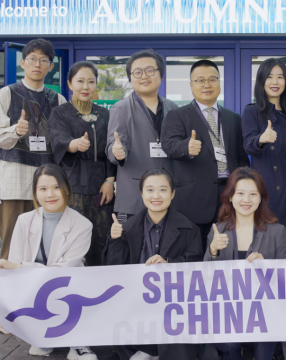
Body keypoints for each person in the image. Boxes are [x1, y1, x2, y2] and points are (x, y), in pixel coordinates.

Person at [0, 163, 99, 360]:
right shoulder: (24, 220)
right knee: (39, 344)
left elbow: (63, 270)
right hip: (36, 289)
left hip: (68, 287)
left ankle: (79, 343)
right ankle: (44, 335)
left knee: (72, 289)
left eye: (56, 187)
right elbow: (14, 267)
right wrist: (9, 313)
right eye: (43, 188)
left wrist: (20, 266)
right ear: (35, 192)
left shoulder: (83, 224)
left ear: (67, 189)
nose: (50, 194)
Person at [101, 167, 203, 360]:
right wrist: (114, 240)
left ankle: (153, 347)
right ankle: (144, 345)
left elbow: (196, 266)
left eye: (163, 190)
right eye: (149, 190)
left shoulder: (189, 229)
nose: (156, 196)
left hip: (171, 298)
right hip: (136, 297)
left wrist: (169, 264)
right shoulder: (126, 228)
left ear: (172, 194)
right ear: (141, 194)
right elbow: (113, 271)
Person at [203, 167, 286, 360]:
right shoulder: (219, 230)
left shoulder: (278, 232)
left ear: (261, 199)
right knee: (230, 348)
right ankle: (236, 348)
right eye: (240, 193)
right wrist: (213, 251)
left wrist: (267, 266)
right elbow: (205, 282)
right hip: (229, 311)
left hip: (264, 312)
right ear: (230, 197)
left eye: (253, 194)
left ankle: (255, 347)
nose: (246, 200)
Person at [0, 38, 67, 261]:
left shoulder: (57, 99)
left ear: (51, 66)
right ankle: (9, 282)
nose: (37, 64)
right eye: (32, 59)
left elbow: (62, 141)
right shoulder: (6, 94)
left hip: (46, 182)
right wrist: (15, 130)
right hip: (14, 178)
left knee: (46, 242)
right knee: (12, 242)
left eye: (43, 60)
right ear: (22, 63)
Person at [161, 59, 250, 250]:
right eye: (200, 80)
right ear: (191, 85)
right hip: (194, 198)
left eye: (212, 79)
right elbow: (168, 145)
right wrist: (186, 147)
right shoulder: (178, 115)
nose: (207, 85)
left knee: (228, 250)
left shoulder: (233, 118)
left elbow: (241, 157)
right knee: (195, 252)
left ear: (219, 82)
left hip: (229, 195)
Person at [49, 61, 116, 266]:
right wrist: (74, 144)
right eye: (80, 81)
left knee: (101, 235)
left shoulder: (105, 114)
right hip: (72, 182)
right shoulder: (60, 113)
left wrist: (110, 180)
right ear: (70, 84)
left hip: (100, 184)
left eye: (91, 81)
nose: (85, 87)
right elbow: (57, 140)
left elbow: (111, 148)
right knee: (73, 236)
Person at [106, 49, 178, 222]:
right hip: (134, 196)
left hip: (166, 196)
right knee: (131, 239)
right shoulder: (121, 108)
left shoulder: (173, 108)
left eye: (150, 70)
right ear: (130, 78)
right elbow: (113, 145)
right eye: (137, 72)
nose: (144, 76)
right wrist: (117, 152)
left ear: (161, 74)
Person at [242, 59, 286, 253]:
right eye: (269, 77)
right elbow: (248, 144)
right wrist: (261, 139)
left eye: (280, 77)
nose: (275, 82)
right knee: (269, 241)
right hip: (269, 187)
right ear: (261, 81)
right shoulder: (252, 111)